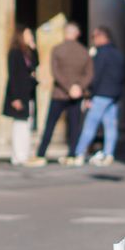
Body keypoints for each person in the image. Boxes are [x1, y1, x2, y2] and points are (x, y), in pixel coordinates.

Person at [32, 22, 90, 166]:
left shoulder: (57, 49)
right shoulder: (84, 51)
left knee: (50, 124)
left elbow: (55, 72)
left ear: (65, 33)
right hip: (76, 95)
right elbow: (89, 74)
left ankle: (41, 154)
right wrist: (78, 87)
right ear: (77, 34)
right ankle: (72, 155)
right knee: (74, 126)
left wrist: (68, 87)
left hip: (59, 94)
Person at [75, 26, 125, 167]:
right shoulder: (118, 54)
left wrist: (89, 95)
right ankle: (109, 154)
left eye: (94, 37)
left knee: (90, 125)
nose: (93, 40)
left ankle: (79, 153)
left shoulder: (101, 54)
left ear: (102, 37)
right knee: (110, 126)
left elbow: (95, 76)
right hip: (114, 95)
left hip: (101, 94)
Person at [3, 26, 40, 166]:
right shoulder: (15, 53)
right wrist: (15, 98)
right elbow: (13, 76)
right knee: (19, 126)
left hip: (27, 93)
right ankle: (19, 156)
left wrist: (34, 47)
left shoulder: (27, 53)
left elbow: (36, 64)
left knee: (26, 125)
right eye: (28, 34)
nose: (30, 36)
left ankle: (23, 154)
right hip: (18, 94)